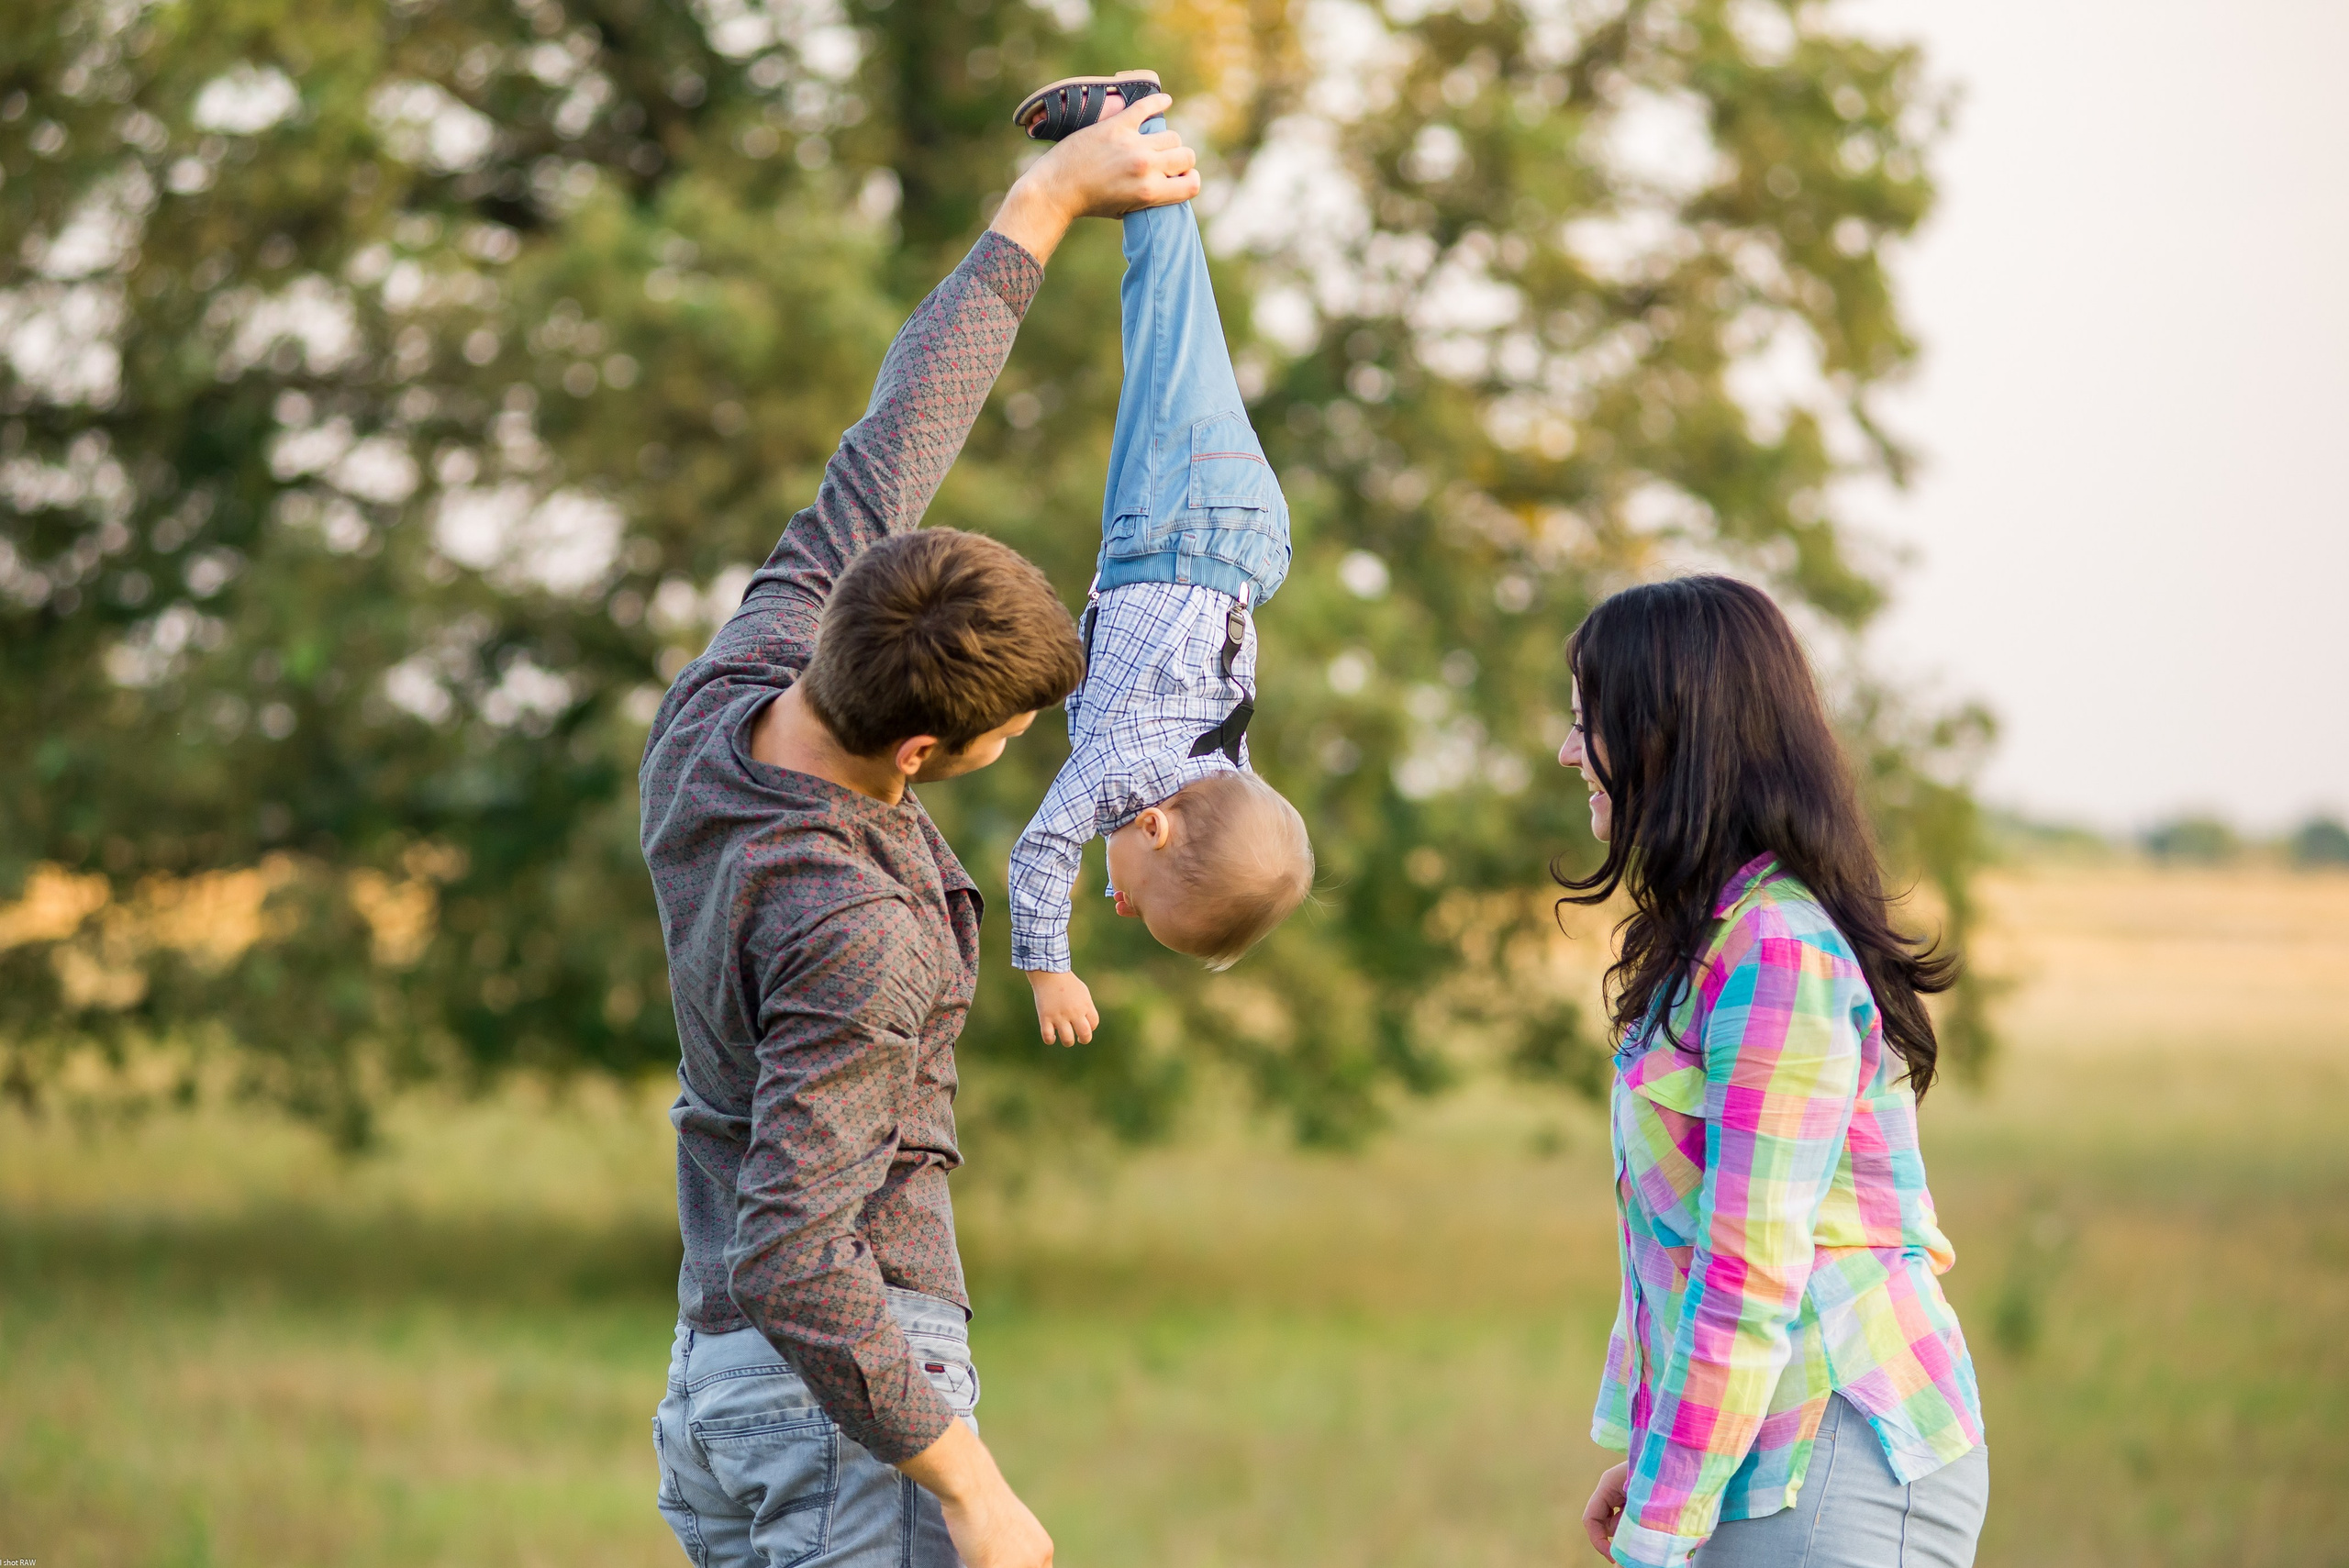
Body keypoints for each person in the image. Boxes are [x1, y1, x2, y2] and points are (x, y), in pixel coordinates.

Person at [635, 96, 1200, 1568]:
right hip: (850, 1414)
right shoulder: (855, 928)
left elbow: (902, 427)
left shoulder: (729, 697)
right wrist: (973, 1488)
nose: (1028, 751)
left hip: (715, 1393)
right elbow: (798, 1249)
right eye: (1012, 737)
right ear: (924, 749)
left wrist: (1051, 200)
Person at [1556, 576, 1989, 1568]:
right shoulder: (1718, 937)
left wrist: (1660, 1532)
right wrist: (1663, 1451)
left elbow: (1749, 1270)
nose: (1569, 751)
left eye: (1590, 724)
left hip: (1829, 1450)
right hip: (1766, 1454)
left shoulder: (1774, 950)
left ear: (1671, 734)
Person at [1005, 72, 1315, 1047]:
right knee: (1167, 324)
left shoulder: (1216, 763)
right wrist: (1049, 965)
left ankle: (1134, 144)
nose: (1123, 906)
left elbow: (1240, 837)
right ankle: (1134, 126)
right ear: (1154, 828)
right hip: (1180, 527)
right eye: (1138, 900)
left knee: (1173, 336)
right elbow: (1039, 849)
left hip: (1234, 545)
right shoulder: (1125, 778)